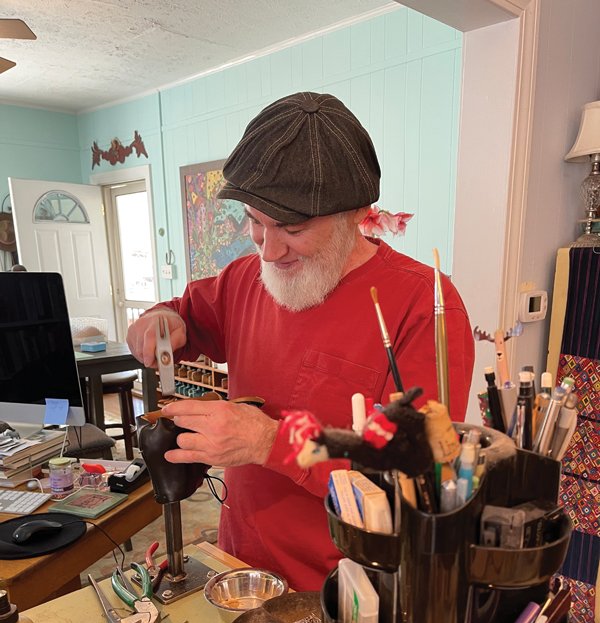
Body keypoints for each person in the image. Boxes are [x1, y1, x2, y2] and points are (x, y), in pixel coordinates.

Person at [127, 91, 475, 591]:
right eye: (254, 222)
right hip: (239, 569)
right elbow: (185, 317)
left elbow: (416, 479)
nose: (269, 249)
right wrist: (161, 320)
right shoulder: (246, 278)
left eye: (291, 227)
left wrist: (271, 441)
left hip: (348, 594)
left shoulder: (424, 306)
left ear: (356, 213)